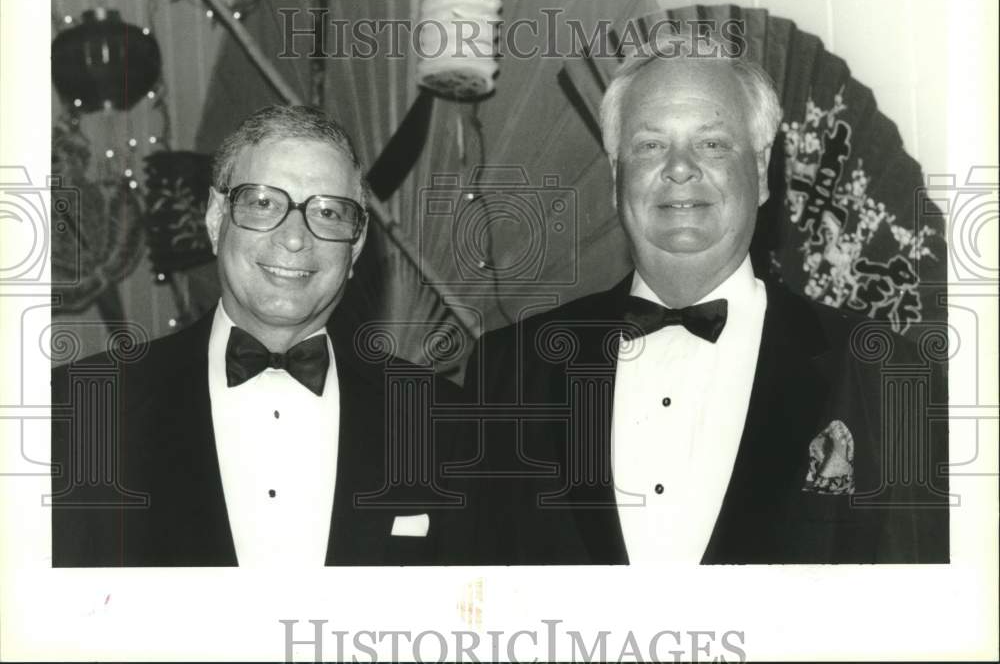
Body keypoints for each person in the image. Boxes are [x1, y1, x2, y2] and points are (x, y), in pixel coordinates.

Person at [457, 34, 949, 564]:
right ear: (615, 177)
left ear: (761, 172)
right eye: (649, 145)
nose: (679, 167)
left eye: (712, 143)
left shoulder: (883, 375)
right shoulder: (508, 370)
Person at [51, 105, 462, 566]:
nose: (294, 239)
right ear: (214, 218)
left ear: (356, 246)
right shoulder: (78, 410)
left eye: (328, 212)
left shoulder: (444, 422)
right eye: (264, 202)